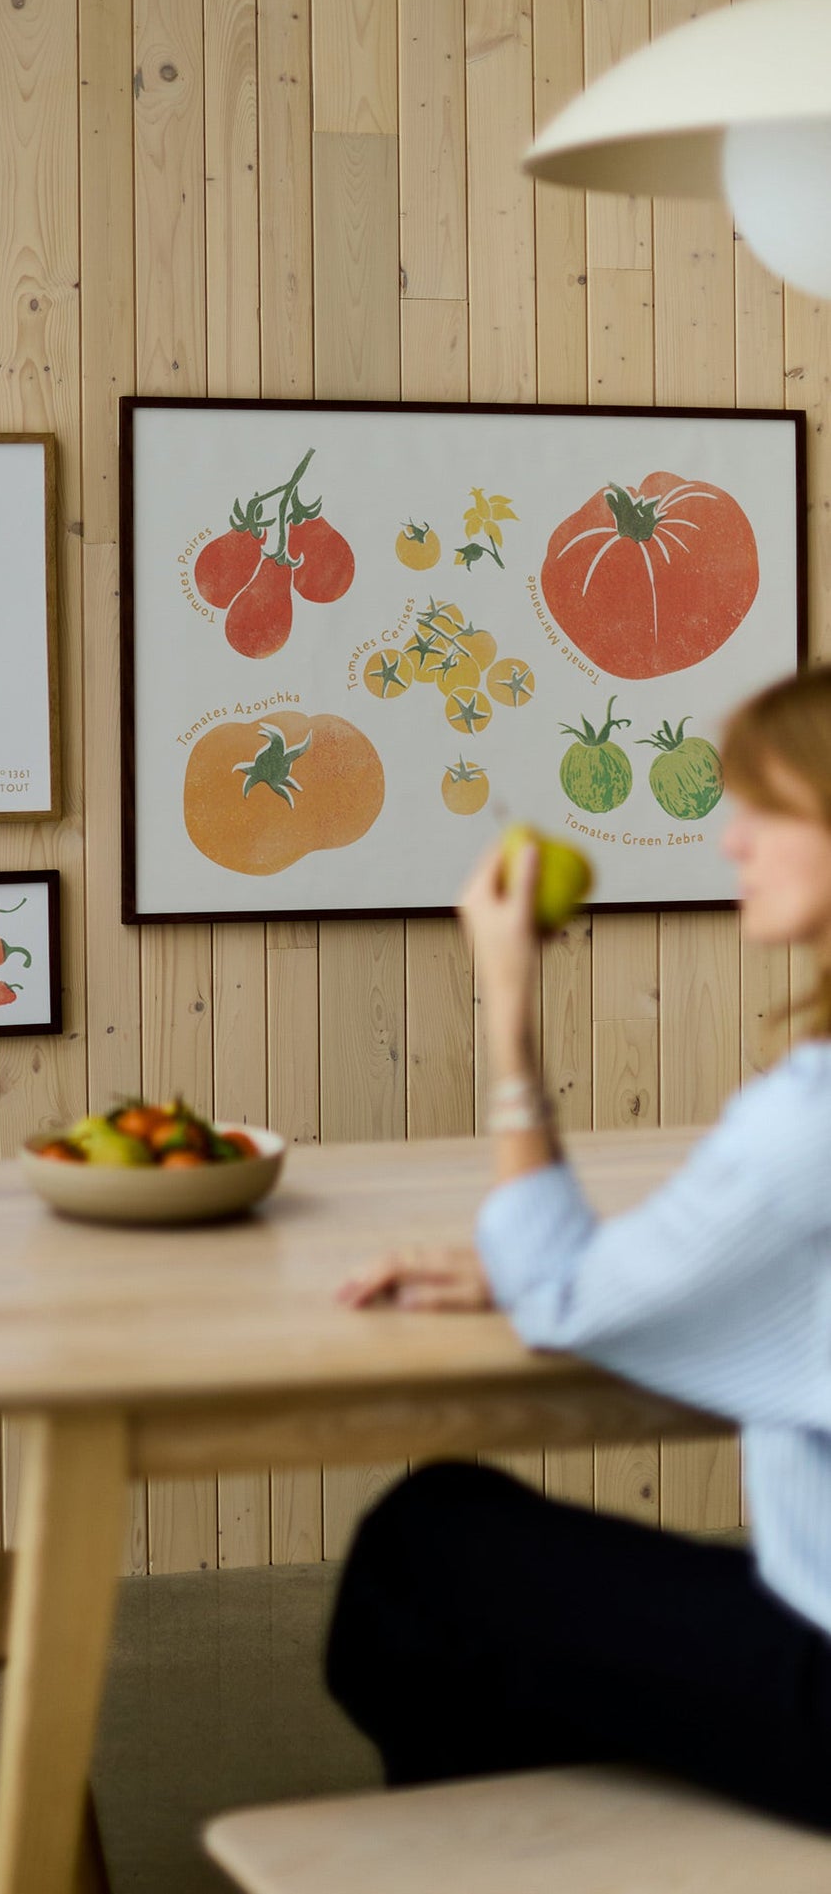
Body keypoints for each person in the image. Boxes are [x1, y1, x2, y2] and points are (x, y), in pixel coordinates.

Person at [326, 662, 831, 1833]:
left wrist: (504, 1003)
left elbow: (560, 1295)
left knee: (423, 1547)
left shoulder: (807, 1121)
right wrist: (536, 1267)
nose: (732, 844)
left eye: (766, 806)